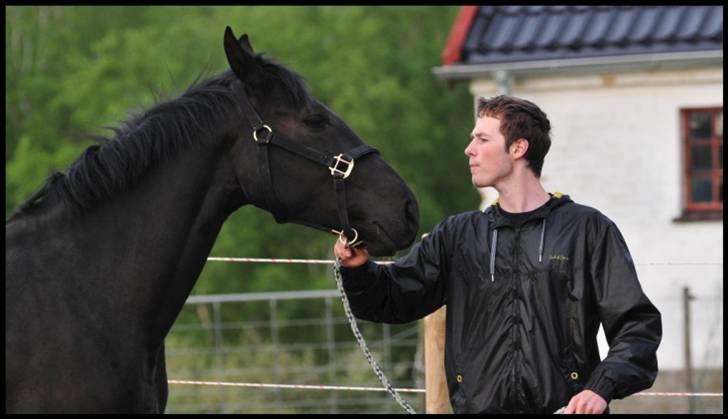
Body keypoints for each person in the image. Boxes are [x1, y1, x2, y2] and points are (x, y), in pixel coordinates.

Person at [333, 95, 662, 414]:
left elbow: (636, 327)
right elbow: (394, 297)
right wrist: (359, 270)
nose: (469, 150)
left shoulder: (587, 230)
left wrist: (599, 388)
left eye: (482, 139)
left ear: (518, 148)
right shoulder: (458, 235)